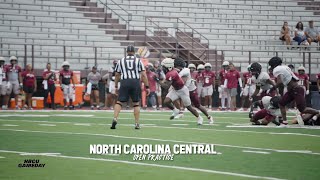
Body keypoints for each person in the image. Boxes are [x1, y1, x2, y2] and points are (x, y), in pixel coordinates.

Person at [268, 56, 319, 124]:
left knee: (302, 109)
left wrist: (272, 89)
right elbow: (283, 82)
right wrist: (281, 93)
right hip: (293, 90)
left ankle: (318, 112)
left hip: (296, 89)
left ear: (273, 64)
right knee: (281, 103)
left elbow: (279, 82)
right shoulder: (285, 67)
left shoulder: (276, 69)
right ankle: (284, 122)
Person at [111, 45, 150, 130]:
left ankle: (115, 118)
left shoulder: (121, 61)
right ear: (134, 52)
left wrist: (116, 86)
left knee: (119, 102)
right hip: (135, 82)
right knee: (136, 103)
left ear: (127, 52)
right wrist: (147, 86)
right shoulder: (138, 61)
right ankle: (136, 123)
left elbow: (117, 74)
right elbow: (143, 75)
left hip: (124, 82)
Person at [159, 58, 203, 125]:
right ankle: (175, 110)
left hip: (182, 90)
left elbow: (166, 86)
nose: (163, 68)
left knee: (189, 107)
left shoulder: (171, 73)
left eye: (164, 67)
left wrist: (157, 81)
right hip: (175, 90)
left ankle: (199, 117)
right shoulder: (171, 71)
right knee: (166, 101)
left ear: (169, 67)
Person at [174, 58, 214, 124]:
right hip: (185, 90)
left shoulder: (185, 70)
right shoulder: (179, 71)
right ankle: (182, 113)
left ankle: (209, 116)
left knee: (198, 105)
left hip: (191, 91)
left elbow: (178, 76)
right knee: (185, 104)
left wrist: (173, 73)